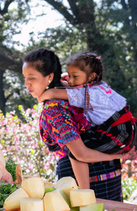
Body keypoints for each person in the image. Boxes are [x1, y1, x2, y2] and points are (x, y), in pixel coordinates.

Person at [22, 48, 127, 201]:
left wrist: (121, 154)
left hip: (85, 182)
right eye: (25, 77)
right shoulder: (75, 89)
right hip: (110, 173)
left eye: (31, 77)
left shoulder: (54, 108)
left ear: (50, 77)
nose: (26, 84)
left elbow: (80, 154)